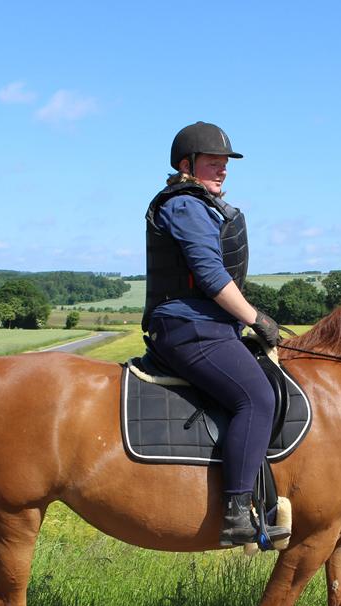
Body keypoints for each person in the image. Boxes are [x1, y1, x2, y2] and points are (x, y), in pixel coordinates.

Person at [143, 121, 288, 548]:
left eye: (225, 163)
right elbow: (209, 276)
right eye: (212, 162)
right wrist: (256, 319)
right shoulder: (186, 205)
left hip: (207, 326)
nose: (222, 170)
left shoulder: (204, 205)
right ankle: (237, 512)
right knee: (256, 397)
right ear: (186, 165)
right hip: (189, 328)